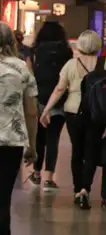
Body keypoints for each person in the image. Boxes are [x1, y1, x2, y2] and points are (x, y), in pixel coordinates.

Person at [40, 29, 106, 211]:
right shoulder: (105, 63)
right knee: (91, 151)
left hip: (74, 112)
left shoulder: (71, 64)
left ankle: (77, 190)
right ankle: (85, 189)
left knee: (77, 151)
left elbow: (59, 89)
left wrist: (46, 110)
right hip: (97, 113)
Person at [0, 23, 38, 235]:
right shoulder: (22, 69)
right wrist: (32, 146)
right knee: (3, 200)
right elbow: (31, 111)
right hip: (11, 142)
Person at [28, 21, 70, 193]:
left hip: (38, 99)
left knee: (39, 138)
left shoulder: (34, 52)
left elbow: (30, 76)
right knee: (53, 139)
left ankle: (36, 173)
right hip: (58, 100)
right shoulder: (66, 52)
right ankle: (49, 178)